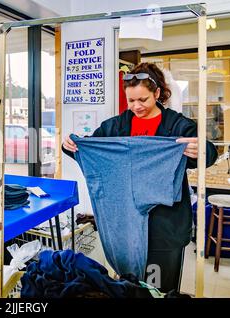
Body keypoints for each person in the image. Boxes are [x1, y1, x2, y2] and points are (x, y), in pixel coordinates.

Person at [62, 62, 218, 293]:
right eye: (131, 100)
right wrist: (71, 146)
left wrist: (202, 149)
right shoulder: (116, 126)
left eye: (143, 99)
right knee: (129, 285)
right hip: (124, 223)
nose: (136, 106)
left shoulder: (176, 125)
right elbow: (91, 149)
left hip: (165, 224)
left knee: (158, 286)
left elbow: (208, 153)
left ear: (157, 93)